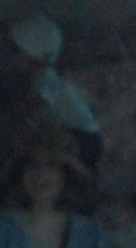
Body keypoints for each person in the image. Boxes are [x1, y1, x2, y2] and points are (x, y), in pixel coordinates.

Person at [8, 13, 104, 172]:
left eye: (15, 51)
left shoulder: (46, 86)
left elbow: (34, 119)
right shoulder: (45, 83)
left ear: (33, 55)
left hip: (80, 144)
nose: (11, 57)